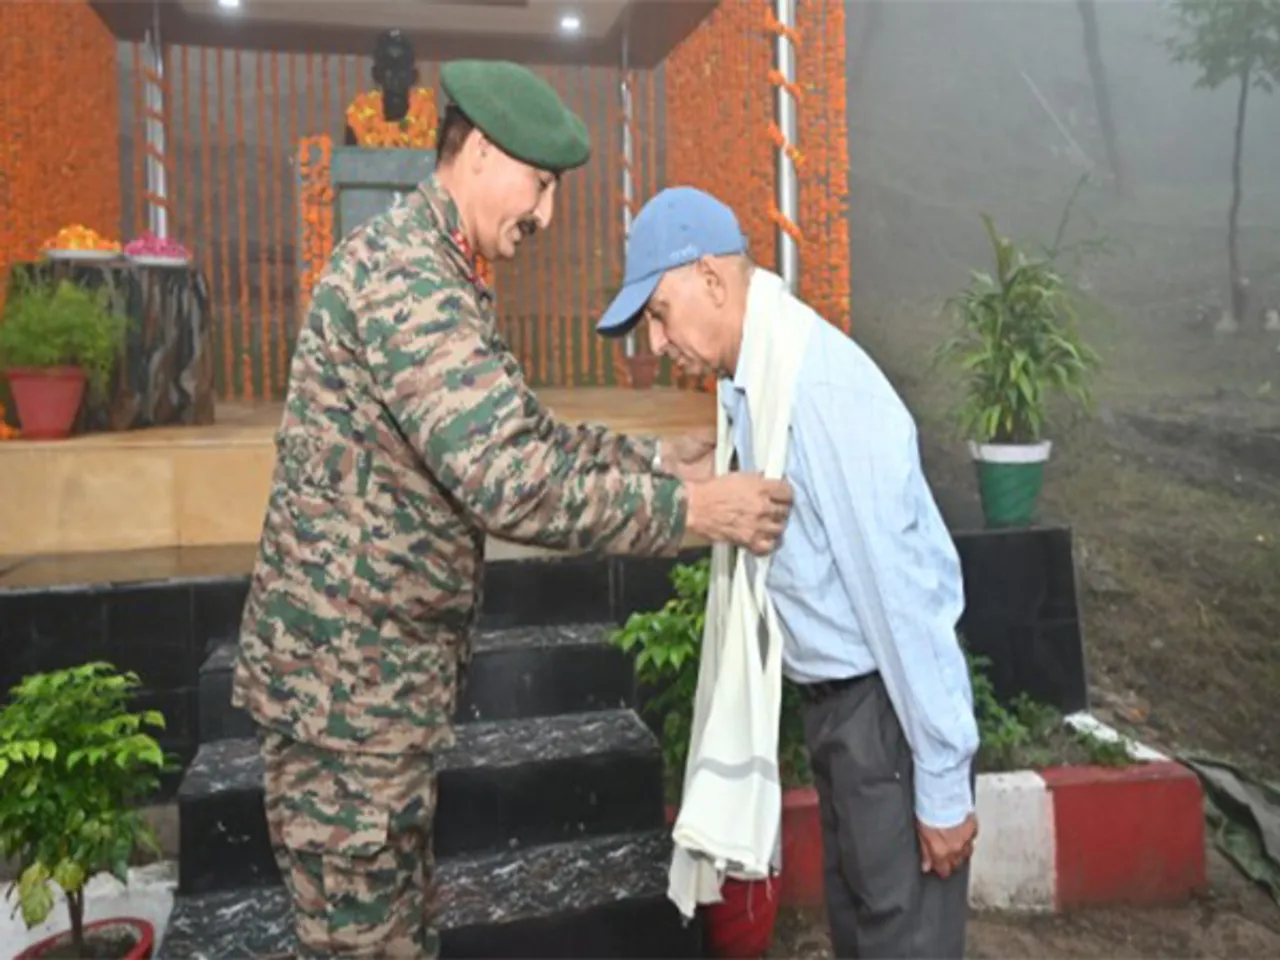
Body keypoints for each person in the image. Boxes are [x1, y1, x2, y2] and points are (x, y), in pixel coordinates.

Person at [232, 64, 793, 959]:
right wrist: (694, 513)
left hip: (378, 700)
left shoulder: (442, 273)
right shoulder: (410, 283)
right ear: (483, 152)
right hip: (346, 704)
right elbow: (510, 481)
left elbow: (523, 433)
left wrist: (654, 460)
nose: (545, 216)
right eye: (540, 185)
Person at [596, 186, 980, 959]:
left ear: (710, 279)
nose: (659, 342)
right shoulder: (754, 393)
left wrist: (942, 779)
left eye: (660, 314)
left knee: (901, 939)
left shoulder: (818, 390)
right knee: (863, 932)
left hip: (885, 721)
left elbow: (900, 598)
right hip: (839, 718)